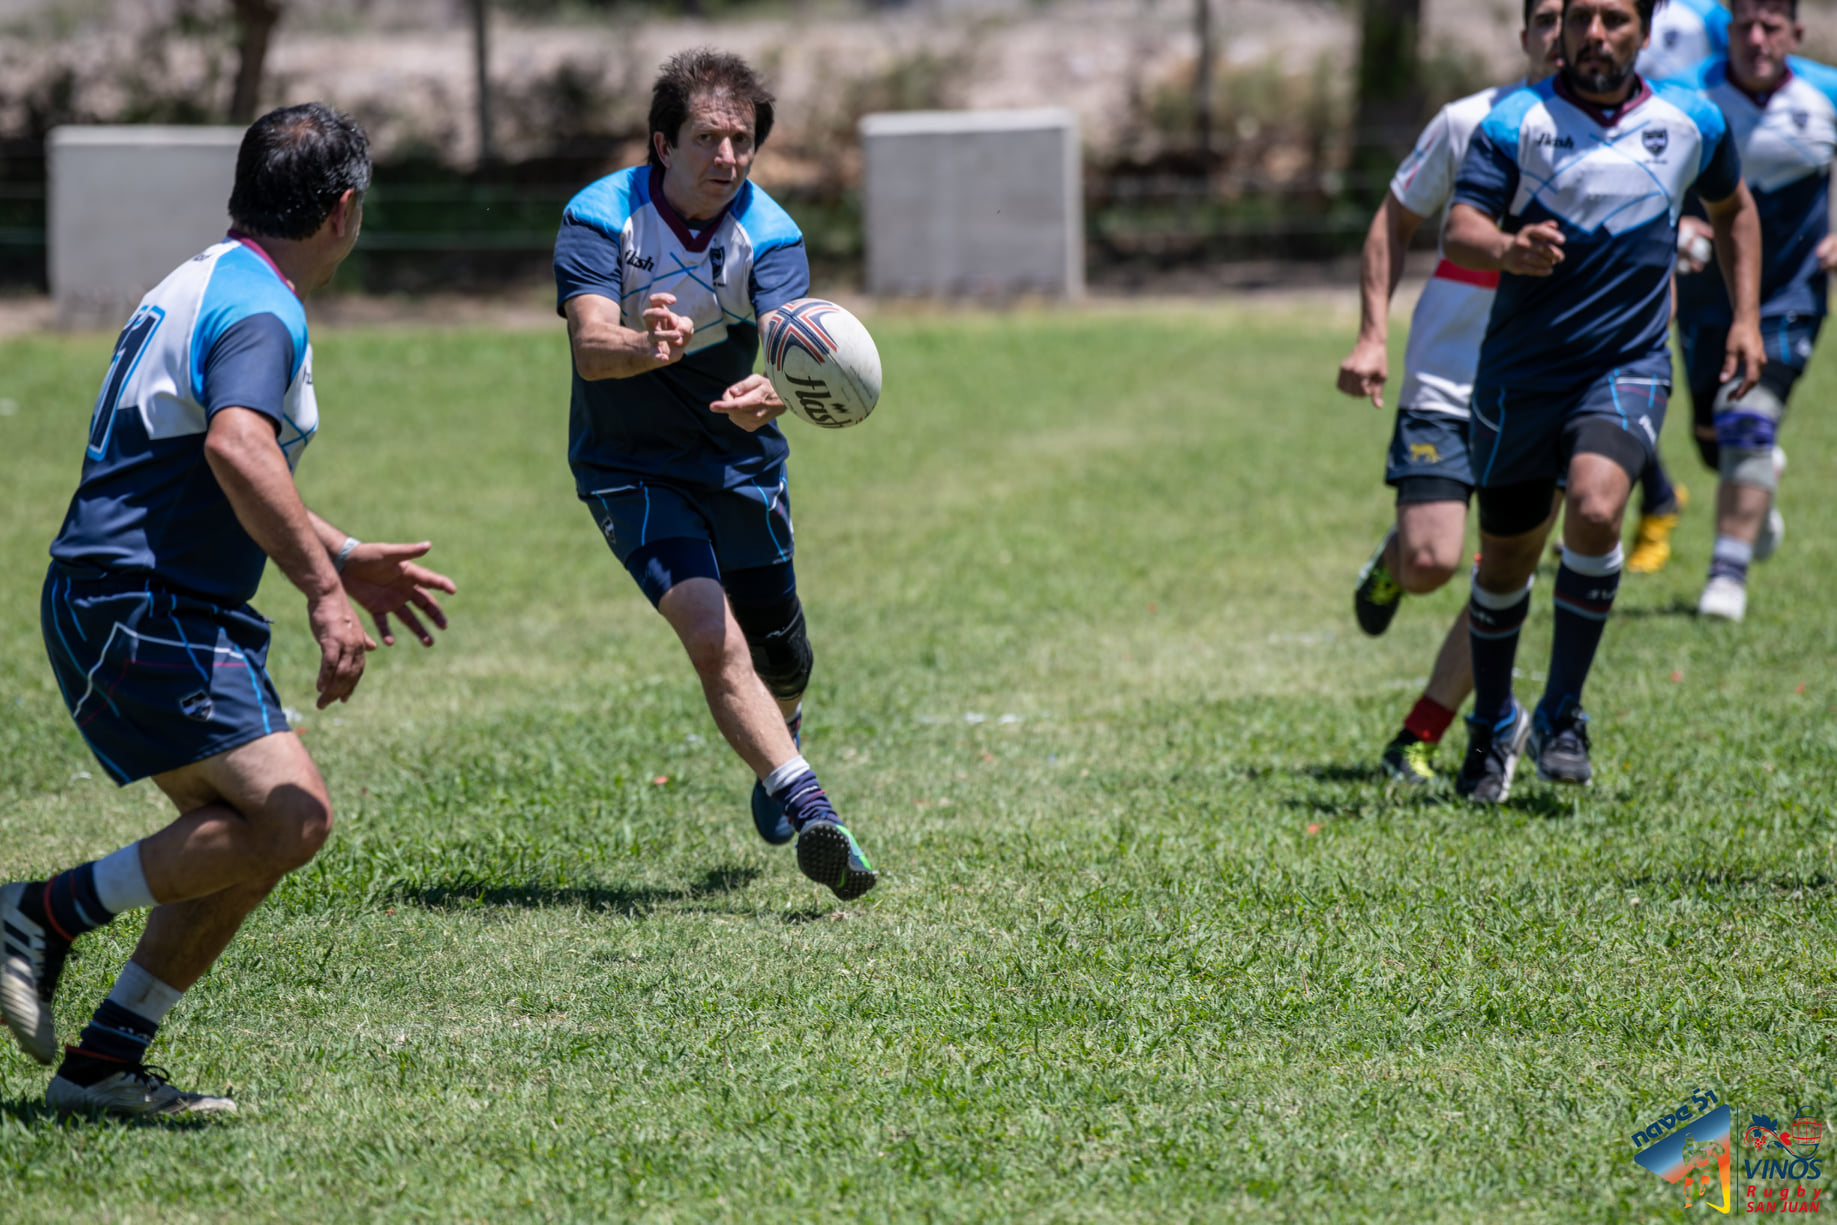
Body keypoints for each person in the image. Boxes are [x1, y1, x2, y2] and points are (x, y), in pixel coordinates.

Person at [1, 103, 456, 1115]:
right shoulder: (264, 308)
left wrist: (338, 550)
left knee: (246, 831)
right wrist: (324, 593)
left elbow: (204, 453)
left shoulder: (207, 278)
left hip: (112, 601)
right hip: (142, 604)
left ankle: (106, 1061)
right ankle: (38, 913)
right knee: (291, 816)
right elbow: (236, 448)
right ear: (344, 209)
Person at [554, 50, 876, 901]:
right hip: (627, 465)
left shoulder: (769, 235)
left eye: (740, 140)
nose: (726, 156)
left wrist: (769, 392)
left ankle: (788, 720)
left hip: (738, 461)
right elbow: (590, 348)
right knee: (710, 634)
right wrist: (643, 344)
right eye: (707, 138)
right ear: (663, 143)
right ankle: (811, 808)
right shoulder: (599, 217)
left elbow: (788, 345)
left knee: (783, 652)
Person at [1444, 0, 1764, 802]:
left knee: (1593, 506)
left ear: (1644, 31)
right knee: (1507, 559)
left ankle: (1562, 709)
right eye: (1581, 16)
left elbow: (1733, 212)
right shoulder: (1514, 121)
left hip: (1624, 364)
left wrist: (1747, 319)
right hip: (1520, 375)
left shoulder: (1691, 120)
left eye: (1614, 19)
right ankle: (1491, 722)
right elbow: (1458, 229)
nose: (1594, 34)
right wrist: (1507, 247)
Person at [1339, 0, 1566, 786]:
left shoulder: (1626, 139)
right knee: (1434, 561)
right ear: (1525, 32)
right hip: (1446, 374)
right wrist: (1372, 335)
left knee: (1503, 569)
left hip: (1543, 388)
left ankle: (1418, 735)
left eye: (1575, 17)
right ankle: (1396, 558)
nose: (1558, 33)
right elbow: (1390, 221)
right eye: (1543, 18)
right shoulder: (1468, 122)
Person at [1669, 0, 1837, 622]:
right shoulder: (1685, 96)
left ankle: (1726, 577)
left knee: (1745, 417)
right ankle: (1756, 477)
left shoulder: (1826, 92)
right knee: (1714, 442)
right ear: (1727, 31)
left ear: (1795, 32)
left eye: (1771, 27)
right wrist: (1676, 226)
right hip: (1707, 297)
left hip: (1792, 293)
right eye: (1745, 26)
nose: (1757, 39)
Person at [1614, 0, 1733, 573]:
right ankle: (1651, 496)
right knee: (1603, 361)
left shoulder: (1708, 12)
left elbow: (1725, 79)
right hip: (1617, 161)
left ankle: (1732, 471)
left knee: (1643, 365)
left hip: (1682, 166)